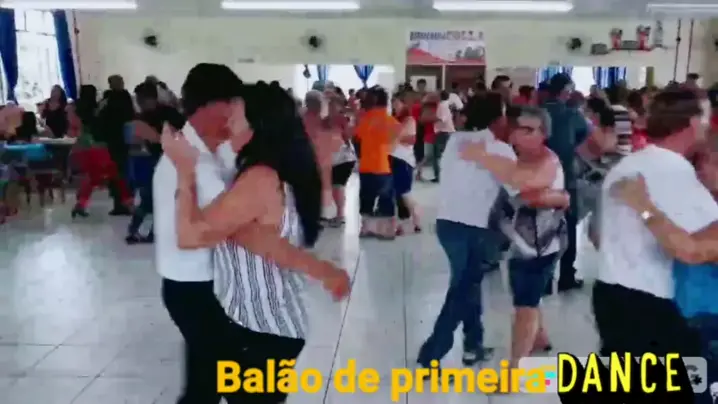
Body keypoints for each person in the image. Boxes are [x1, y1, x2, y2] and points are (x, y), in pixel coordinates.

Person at [158, 74, 350, 404]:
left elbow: (190, 237)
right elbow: (256, 239)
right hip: (264, 324)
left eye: (235, 115)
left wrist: (185, 171)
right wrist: (322, 270)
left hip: (262, 331)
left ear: (257, 126)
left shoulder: (259, 177)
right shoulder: (266, 169)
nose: (226, 121)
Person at [593, 88, 713, 361]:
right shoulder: (676, 173)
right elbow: (696, 249)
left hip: (609, 289)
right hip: (650, 300)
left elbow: (596, 234)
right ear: (694, 123)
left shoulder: (627, 165)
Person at [462, 106, 568, 371]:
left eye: (530, 130)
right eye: (519, 129)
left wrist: (486, 159)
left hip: (538, 245)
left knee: (524, 305)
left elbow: (528, 188)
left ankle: (514, 368)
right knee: (526, 295)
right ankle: (539, 337)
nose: (522, 135)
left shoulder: (547, 161)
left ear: (544, 134)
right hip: (519, 243)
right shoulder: (518, 159)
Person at [416, 93, 513, 368]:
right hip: (475, 229)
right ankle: (432, 353)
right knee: (462, 290)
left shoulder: (454, 141)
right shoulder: (500, 150)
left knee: (468, 284)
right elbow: (515, 187)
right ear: (497, 118)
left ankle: (473, 344)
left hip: (447, 225)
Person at [543, 73, 589, 292]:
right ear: (565, 91)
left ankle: (544, 279)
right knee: (568, 229)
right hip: (566, 178)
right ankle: (566, 276)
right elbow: (585, 137)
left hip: (539, 178)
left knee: (542, 229)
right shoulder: (572, 114)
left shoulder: (537, 113)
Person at [125, 82, 186, 244]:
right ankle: (139, 231)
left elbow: (182, 134)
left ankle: (146, 231)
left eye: (141, 100)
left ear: (151, 99)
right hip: (152, 159)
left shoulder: (169, 114)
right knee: (149, 197)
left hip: (167, 159)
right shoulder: (143, 117)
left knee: (156, 198)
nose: (139, 104)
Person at [68, 90, 133, 218]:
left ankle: (81, 204)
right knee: (116, 177)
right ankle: (128, 204)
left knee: (93, 178)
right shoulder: (103, 111)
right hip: (100, 149)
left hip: (88, 148)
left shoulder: (87, 111)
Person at [355, 86, 399, 239]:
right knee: (386, 199)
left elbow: (358, 136)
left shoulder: (365, 119)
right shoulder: (389, 120)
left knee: (366, 199)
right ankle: (387, 231)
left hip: (366, 166)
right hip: (383, 167)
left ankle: (366, 229)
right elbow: (397, 136)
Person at [96, 74, 134, 215]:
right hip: (117, 140)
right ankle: (121, 203)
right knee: (118, 172)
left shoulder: (114, 99)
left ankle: (122, 203)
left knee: (119, 172)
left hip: (117, 140)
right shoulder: (116, 98)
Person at [391, 92, 422, 234]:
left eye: (397, 103)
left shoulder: (409, 120)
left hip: (403, 160)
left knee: (404, 193)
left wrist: (395, 137)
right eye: (393, 103)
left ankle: (416, 220)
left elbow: (410, 139)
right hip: (393, 158)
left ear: (404, 104)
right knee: (398, 194)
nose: (394, 106)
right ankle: (402, 224)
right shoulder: (394, 119)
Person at [328, 95, 355, 227]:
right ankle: (339, 214)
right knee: (336, 187)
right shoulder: (328, 119)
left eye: (333, 105)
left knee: (338, 186)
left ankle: (340, 215)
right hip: (336, 158)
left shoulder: (341, 119)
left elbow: (347, 136)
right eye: (329, 104)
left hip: (343, 158)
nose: (330, 107)